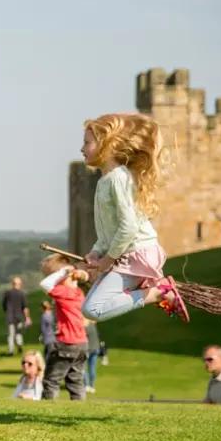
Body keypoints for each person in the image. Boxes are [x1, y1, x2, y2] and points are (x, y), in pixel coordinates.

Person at [78, 113, 187, 324]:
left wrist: (108, 259)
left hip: (136, 254)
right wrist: (96, 252)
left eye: (87, 142)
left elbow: (128, 227)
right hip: (124, 254)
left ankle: (158, 293)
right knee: (88, 307)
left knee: (93, 309)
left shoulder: (118, 178)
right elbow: (108, 231)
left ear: (107, 144)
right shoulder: (104, 181)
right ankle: (158, 292)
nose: (81, 149)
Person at [40, 255, 89, 400]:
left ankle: (47, 410)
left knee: (51, 380)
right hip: (82, 344)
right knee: (76, 381)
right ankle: (79, 410)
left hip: (67, 342)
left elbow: (45, 284)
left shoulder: (63, 292)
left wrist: (63, 272)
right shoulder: (79, 293)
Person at [1, 276, 31, 356]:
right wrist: (27, 318)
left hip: (10, 316)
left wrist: (6, 311)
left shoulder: (7, 293)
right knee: (18, 333)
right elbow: (25, 307)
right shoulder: (22, 294)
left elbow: (4, 305)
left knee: (11, 335)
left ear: (12, 284)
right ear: (20, 284)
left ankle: (11, 350)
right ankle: (19, 345)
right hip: (19, 317)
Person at [84, 319, 101, 394]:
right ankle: (92, 386)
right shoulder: (94, 326)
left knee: (84, 368)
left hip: (88, 349)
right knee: (92, 368)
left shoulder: (85, 328)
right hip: (96, 348)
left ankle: (87, 385)